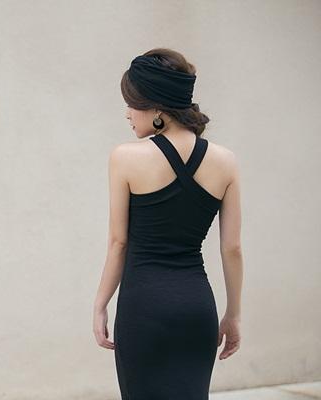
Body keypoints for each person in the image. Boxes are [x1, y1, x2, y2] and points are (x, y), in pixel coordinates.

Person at [92, 48, 243, 399]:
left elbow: (118, 243)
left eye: (132, 103)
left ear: (157, 108)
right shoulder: (226, 161)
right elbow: (232, 248)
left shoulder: (125, 158)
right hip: (197, 308)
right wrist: (233, 314)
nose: (128, 113)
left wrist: (100, 304)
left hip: (143, 308)